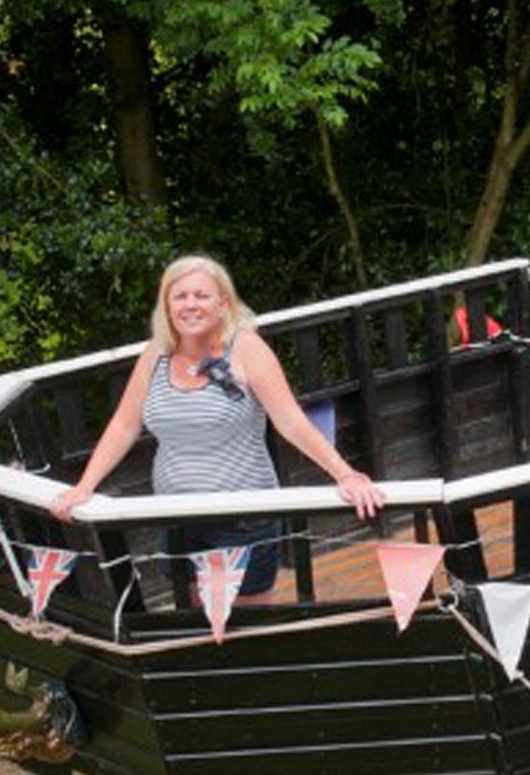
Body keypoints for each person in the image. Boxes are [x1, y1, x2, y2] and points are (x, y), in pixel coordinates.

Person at [51, 255, 383, 599]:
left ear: (223, 303)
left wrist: (344, 474)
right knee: (197, 620)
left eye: (201, 295)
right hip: (177, 518)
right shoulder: (155, 355)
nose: (190, 305)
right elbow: (123, 425)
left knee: (247, 628)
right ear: (166, 306)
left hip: (243, 520)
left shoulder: (246, 349)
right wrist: (84, 486)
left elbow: (290, 421)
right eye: (180, 297)